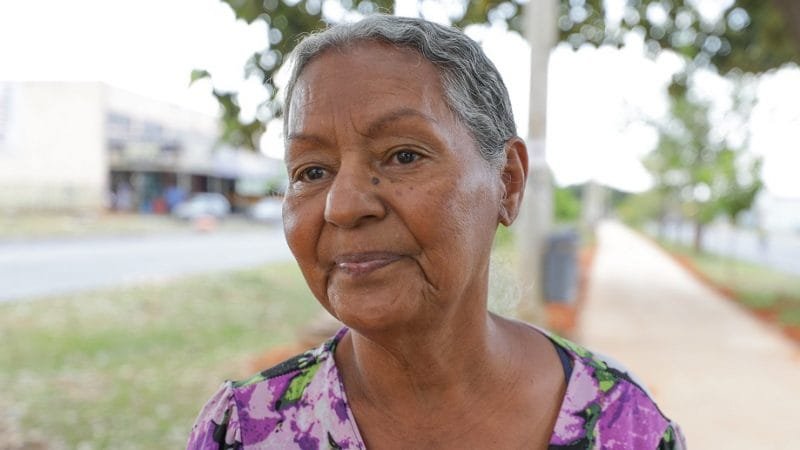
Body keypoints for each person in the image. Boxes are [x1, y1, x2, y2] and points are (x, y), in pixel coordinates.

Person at [187, 15, 686, 450]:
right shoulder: (244, 431)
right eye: (312, 171)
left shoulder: (626, 427)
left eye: (403, 156)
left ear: (508, 182)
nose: (344, 206)